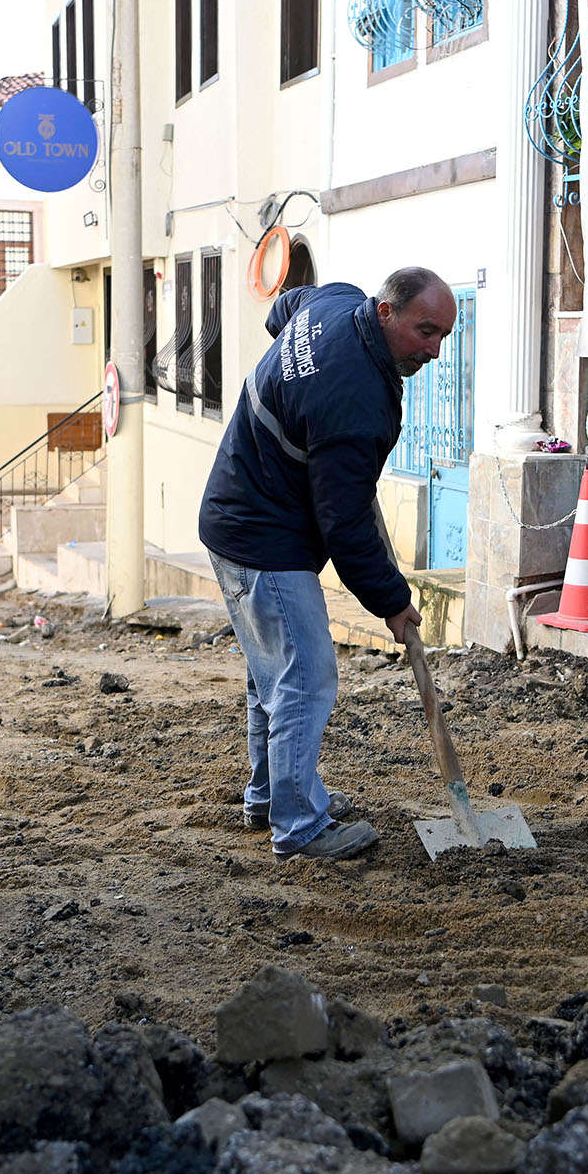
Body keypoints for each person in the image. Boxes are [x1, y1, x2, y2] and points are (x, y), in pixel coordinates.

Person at [199, 267, 457, 861]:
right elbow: (345, 524)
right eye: (424, 331)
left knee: (274, 675)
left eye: (443, 335)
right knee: (305, 676)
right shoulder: (352, 400)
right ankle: (299, 827)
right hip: (263, 537)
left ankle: (271, 796)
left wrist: (295, 377)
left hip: (236, 515)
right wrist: (391, 600)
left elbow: (281, 310)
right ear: (387, 313)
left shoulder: (336, 302)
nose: (434, 351)